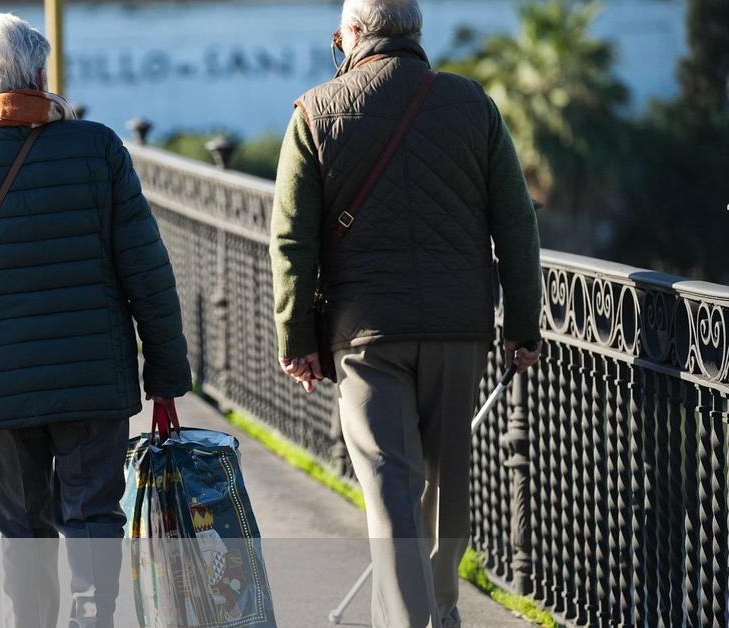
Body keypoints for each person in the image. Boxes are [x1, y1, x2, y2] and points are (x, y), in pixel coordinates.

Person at [0, 13, 190, 627]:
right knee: (93, 513)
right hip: (93, 374)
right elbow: (147, 270)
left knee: (22, 524)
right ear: (41, 72)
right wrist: (165, 369)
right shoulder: (99, 147)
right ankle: (90, 615)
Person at [268, 1, 543, 626]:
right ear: (416, 34)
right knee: (444, 485)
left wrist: (296, 337)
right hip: (458, 327)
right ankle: (441, 611)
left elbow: (291, 240)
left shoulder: (315, 111)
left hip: (364, 334)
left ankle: (411, 621)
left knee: (391, 487)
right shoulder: (472, 103)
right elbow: (517, 224)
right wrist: (522, 328)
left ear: (353, 35)